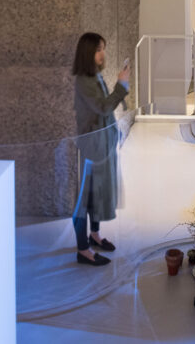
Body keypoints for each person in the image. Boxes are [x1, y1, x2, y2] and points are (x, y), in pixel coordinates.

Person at [71, 32, 130, 267]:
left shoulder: (94, 77)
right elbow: (104, 107)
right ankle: (82, 249)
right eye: (98, 49)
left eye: (103, 48)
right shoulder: (84, 81)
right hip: (91, 148)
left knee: (97, 193)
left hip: (102, 144)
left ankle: (94, 236)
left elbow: (105, 110)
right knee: (84, 200)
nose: (103, 54)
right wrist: (121, 86)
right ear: (88, 53)